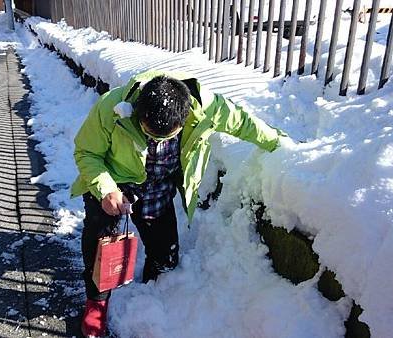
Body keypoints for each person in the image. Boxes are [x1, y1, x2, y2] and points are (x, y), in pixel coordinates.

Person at [71, 70, 289, 337]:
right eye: (149, 133)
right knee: (100, 241)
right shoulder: (112, 107)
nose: (155, 141)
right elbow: (86, 152)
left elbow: (243, 123)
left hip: (158, 188)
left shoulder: (206, 107)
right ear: (139, 112)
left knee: (166, 257)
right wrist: (106, 190)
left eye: (166, 136)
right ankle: (96, 301)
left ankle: (156, 288)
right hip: (113, 182)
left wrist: (280, 144)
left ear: (185, 118)